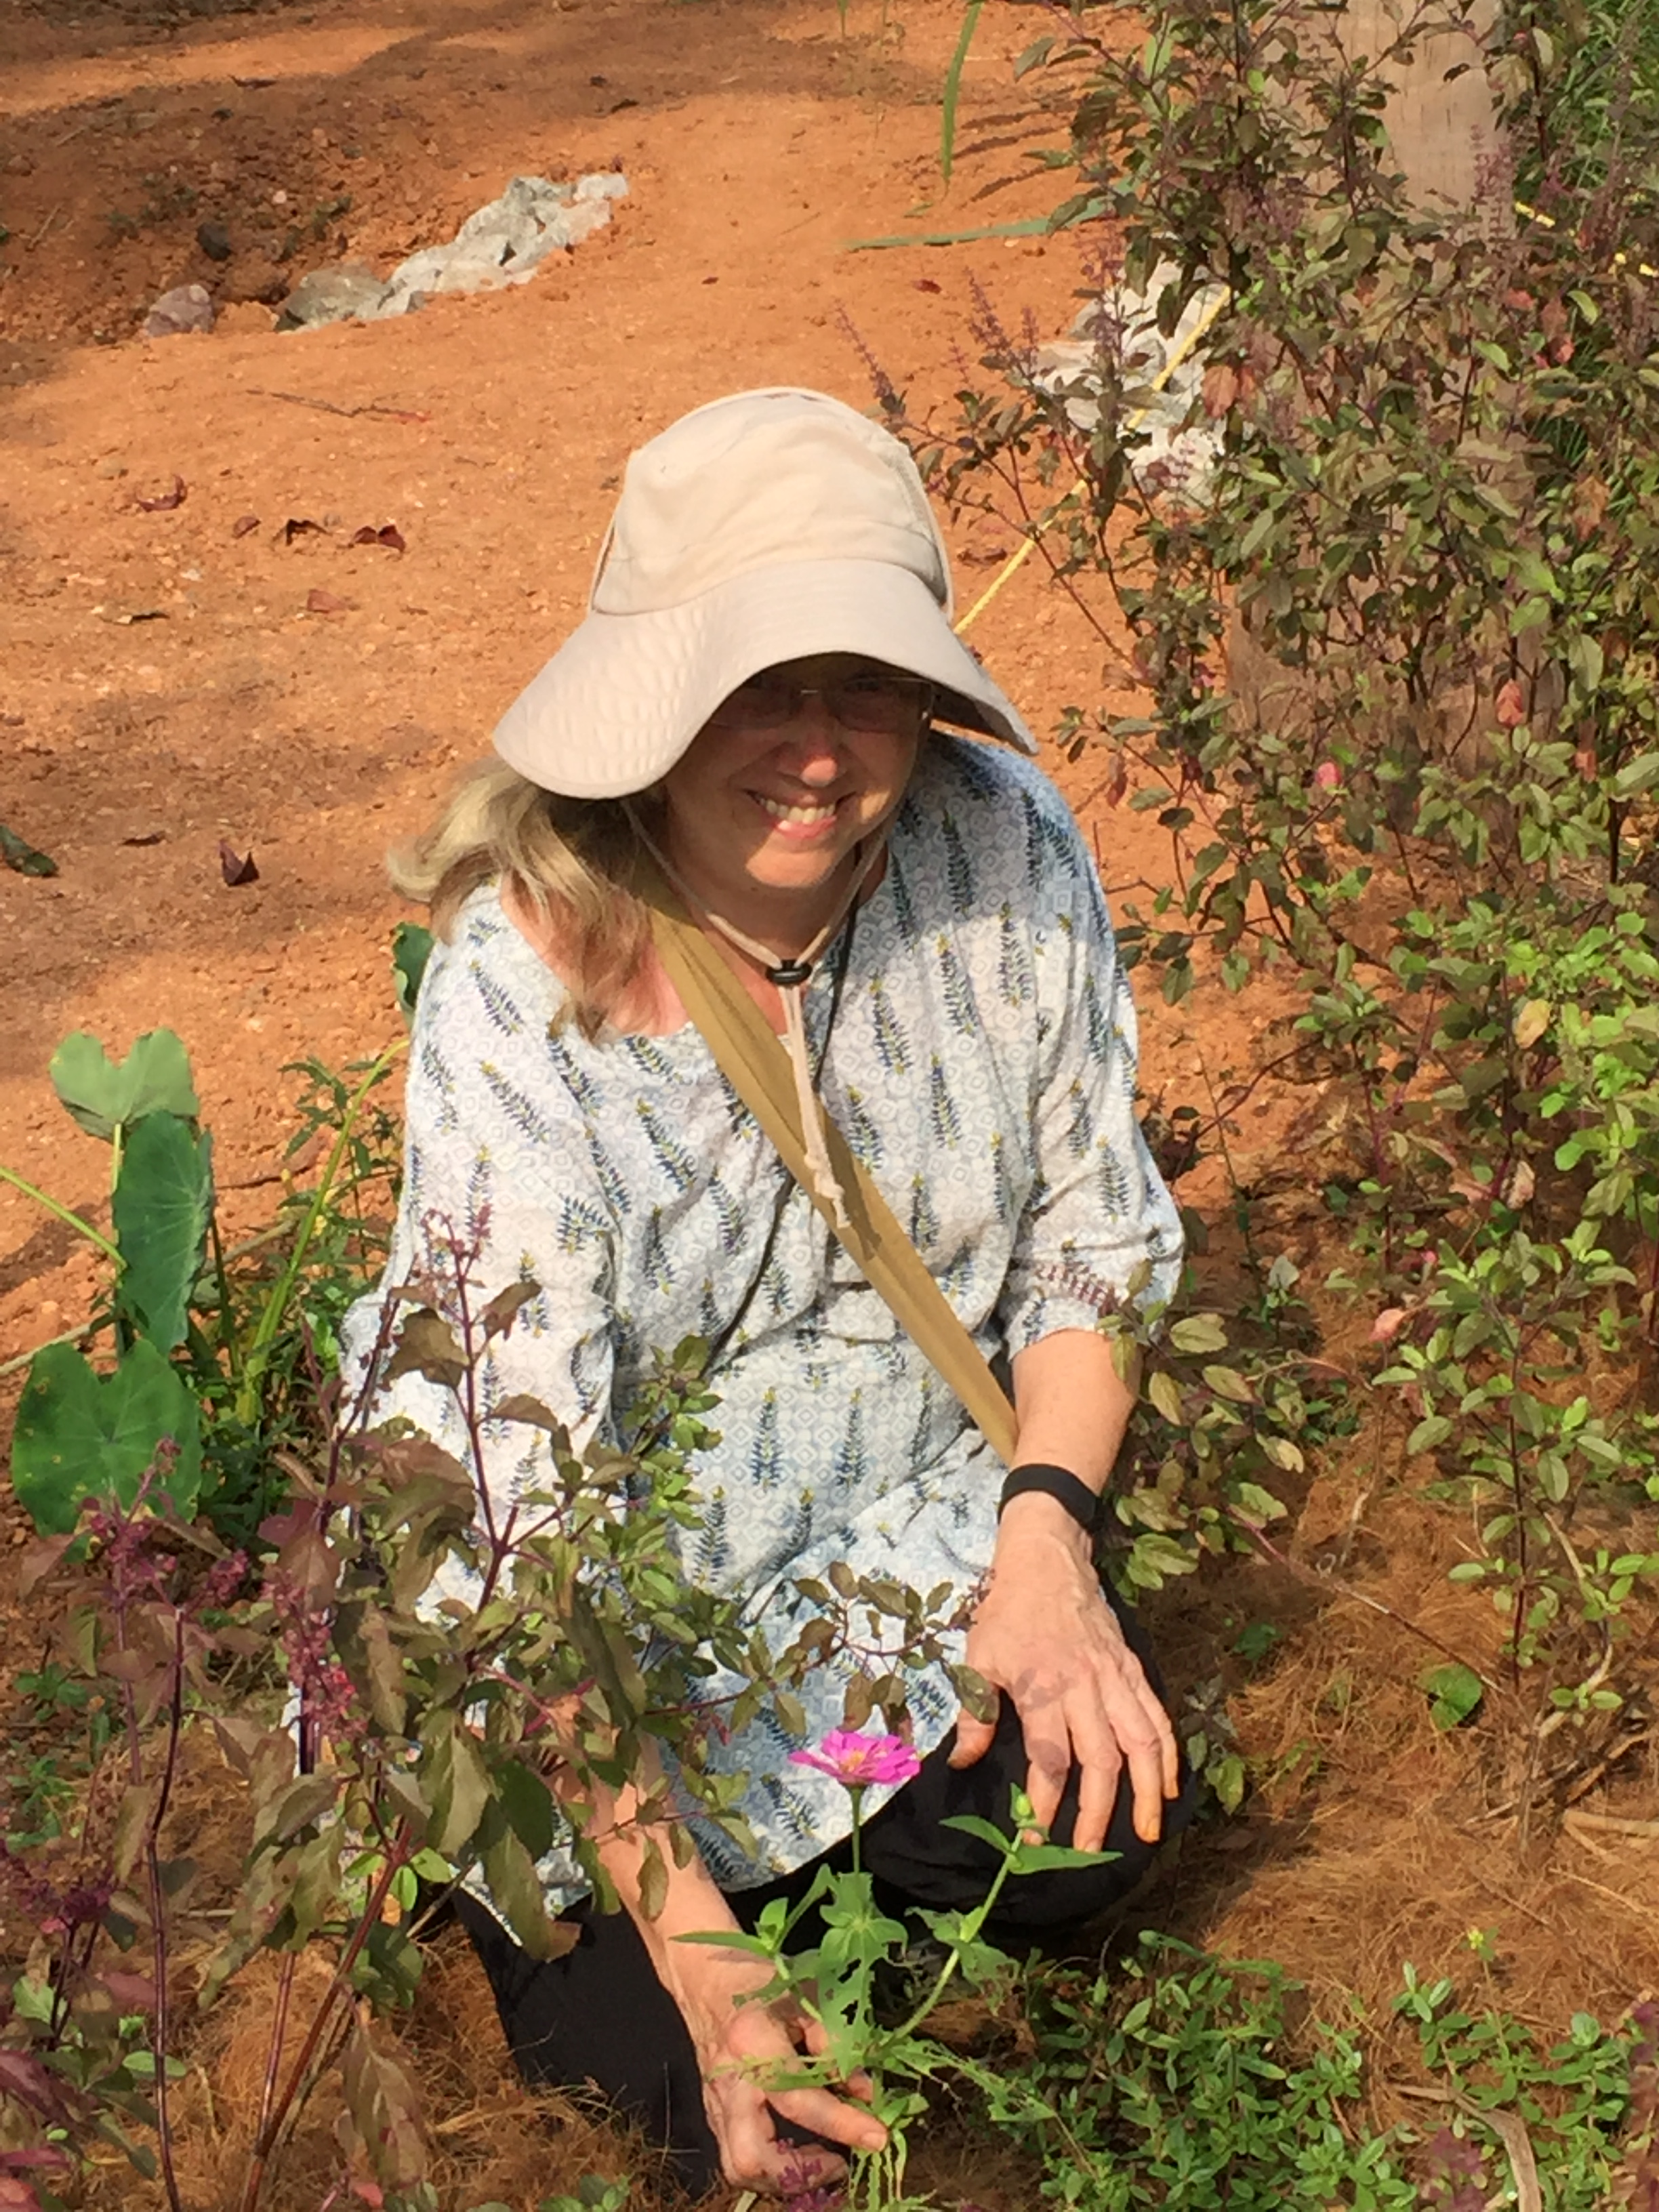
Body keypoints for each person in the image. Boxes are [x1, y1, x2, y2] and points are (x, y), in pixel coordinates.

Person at [342, 387, 1191, 2198]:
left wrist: (1045, 1548)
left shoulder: (1002, 845)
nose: (820, 751)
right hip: (591, 1652)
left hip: (889, 1565)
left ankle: (807, 1886)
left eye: (863, 686)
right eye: (760, 688)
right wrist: (699, 1948)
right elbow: (511, 1528)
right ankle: (649, 1912)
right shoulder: (519, 994)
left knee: (1106, 1823)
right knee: (672, 2099)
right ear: (655, 699)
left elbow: (1091, 1241)